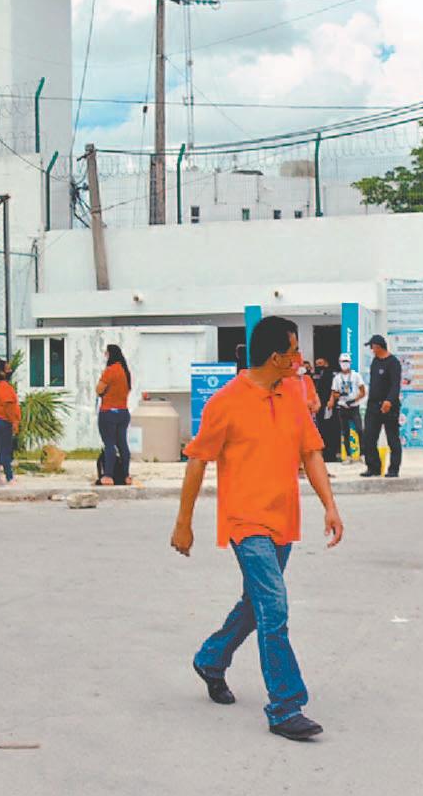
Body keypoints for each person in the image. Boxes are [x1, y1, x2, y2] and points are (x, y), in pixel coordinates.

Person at [174, 315, 343, 743]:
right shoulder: (226, 402)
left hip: (283, 519)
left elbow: (311, 453)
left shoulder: (294, 394)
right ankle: (286, 706)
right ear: (275, 357)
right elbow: (197, 461)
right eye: (294, 351)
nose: (300, 358)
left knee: (256, 605)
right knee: (274, 606)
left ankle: (211, 660)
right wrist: (183, 523)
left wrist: (330, 506)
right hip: (245, 520)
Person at [361, 335, 402, 478]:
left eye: (372, 347)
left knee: (392, 438)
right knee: (369, 437)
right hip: (373, 405)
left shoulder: (393, 362)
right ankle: (373, 467)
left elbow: (395, 385)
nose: (371, 350)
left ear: (378, 346)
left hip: (389, 406)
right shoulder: (375, 362)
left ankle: (394, 469)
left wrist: (389, 400)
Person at [96, 344, 133, 486]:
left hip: (108, 411)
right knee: (122, 444)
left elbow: (99, 389)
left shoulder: (110, 371)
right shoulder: (125, 371)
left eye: (106, 353)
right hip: (123, 412)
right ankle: (126, 475)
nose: (105, 356)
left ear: (110, 354)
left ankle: (108, 476)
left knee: (109, 444)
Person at [0, 358, 21, 486]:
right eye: (8, 369)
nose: (10, 371)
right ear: (1, 372)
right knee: (5, 450)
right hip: (3, 420)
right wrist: (14, 421)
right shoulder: (3, 386)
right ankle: (9, 476)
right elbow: (8, 406)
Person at [329, 354, 365, 463]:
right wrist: (337, 396)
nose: (344, 364)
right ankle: (348, 456)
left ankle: (362, 454)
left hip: (354, 407)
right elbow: (334, 392)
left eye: (346, 361)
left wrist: (354, 400)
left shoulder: (356, 375)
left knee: (360, 430)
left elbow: (363, 392)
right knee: (345, 432)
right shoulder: (337, 378)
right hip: (342, 407)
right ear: (339, 363)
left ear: (350, 362)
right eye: (343, 362)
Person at [310, 356, 339, 463]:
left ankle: (331, 454)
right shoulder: (317, 375)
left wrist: (331, 400)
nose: (318, 366)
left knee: (330, 429)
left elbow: (333, 389)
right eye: (317, 364)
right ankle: (324, 454)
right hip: (320, 406)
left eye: (320, 363)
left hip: (329, 405)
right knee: (321, 430)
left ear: (326, 362)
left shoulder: (331, 374)